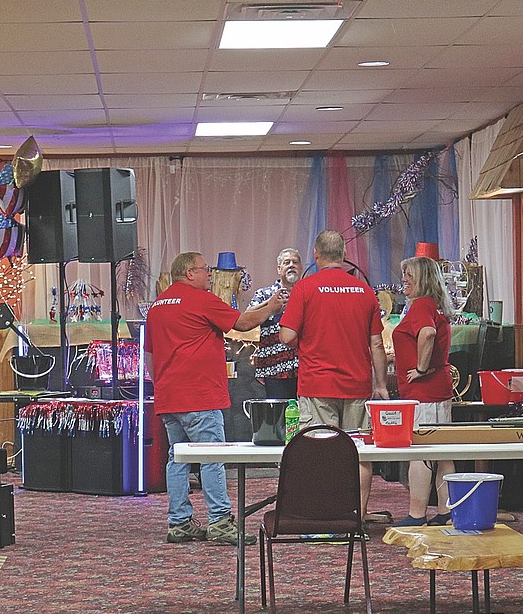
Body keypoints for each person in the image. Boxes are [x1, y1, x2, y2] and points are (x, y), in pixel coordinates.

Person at [146, 251, 287, 545]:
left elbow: (149, 356)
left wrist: (162, 383)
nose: (210, 274)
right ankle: (220, 521)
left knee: (178, 459)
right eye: (204, 269)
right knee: (212, 457)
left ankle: (179, 522)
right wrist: (272, 306)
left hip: (169, 397)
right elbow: (244, 324)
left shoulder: (157, 307)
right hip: (200, 396)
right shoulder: (202, 300)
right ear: (189, 273)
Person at [278, 230, 389, 523]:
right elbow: (377, 343)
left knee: (318, 454)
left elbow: (287, 335)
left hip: (317, 385)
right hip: (357, 385)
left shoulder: (304, 288)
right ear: (343, 255)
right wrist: (381, 385)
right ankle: (358, 518)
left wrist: (302, 339)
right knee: (358, 454)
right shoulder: (364, 291)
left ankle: (322, 518)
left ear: (316, 255)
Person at [391, 256, 457, 526]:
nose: (404, 279)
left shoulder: (420, 306)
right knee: (443, 455)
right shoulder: (434, 305)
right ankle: (445, 512)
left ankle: (417, 515)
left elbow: (427, 334)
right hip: (439, 391)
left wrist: (419, 368)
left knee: (420, 453)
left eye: (409, 274)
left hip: (423, 394)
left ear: (423, 279)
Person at [248, 248, 303, 399]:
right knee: (278, 419)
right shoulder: (264, 293)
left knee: (306, 418)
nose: (291, 265)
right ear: (279, 269)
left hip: (305, 369)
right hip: (274, 369)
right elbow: (247, 316)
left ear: (301, 267)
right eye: (287, 263)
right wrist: (270, 304)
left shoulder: (308, 293)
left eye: (295, 262)